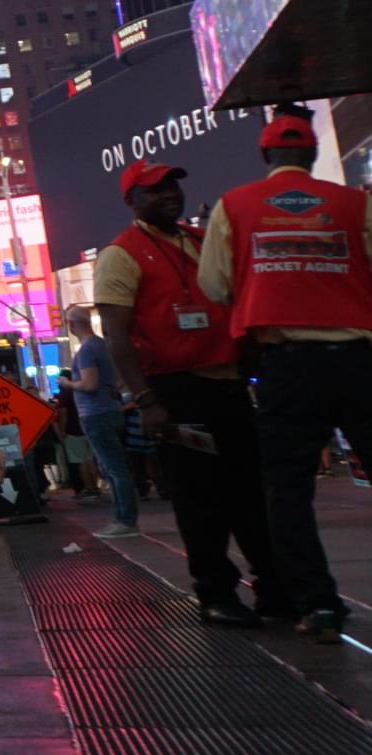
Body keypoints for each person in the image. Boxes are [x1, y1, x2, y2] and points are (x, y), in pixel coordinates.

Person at [199, 106, 372, 642]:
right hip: (359, 360)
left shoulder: (234, 206)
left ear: (265, 155)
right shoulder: (356, 202)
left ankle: (318, 606)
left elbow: (214, 284)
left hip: (288, 365)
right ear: (314, 153)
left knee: (288, 490)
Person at [97, 158, 278, 627]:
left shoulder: (199, 241)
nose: (169, 195)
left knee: (251, 495)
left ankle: (274, 590)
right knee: (200, 501)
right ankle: (216, 594)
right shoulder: (121, 253)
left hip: (228, 385)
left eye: (173, 186)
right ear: (132, 201)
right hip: (175, 390)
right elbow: (117, 336)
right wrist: (146, 401)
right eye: (155, 189)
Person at [64, 305, 137, 537]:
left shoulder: (87, 350)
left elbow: (89, 384)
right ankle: (124, 518)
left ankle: (125, 520)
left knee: (113, 468)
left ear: (71, 325)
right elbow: (118, 380)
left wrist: (68, 384)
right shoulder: (103, 346)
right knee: (114, 467)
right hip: (111, 409)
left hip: (96, 413)